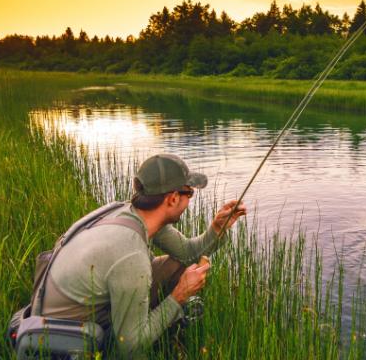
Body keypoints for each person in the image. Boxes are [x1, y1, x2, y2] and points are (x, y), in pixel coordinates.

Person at [30, 153, 246, 358]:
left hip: (71, 306)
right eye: (189, 193)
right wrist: (179, 296)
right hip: (67, 336)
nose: (190, 200)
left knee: (175, 266)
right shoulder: (131, 254)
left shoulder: (129, 213)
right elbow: (130, 347)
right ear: (172, 198)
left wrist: (218, 228)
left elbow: (188, 254)